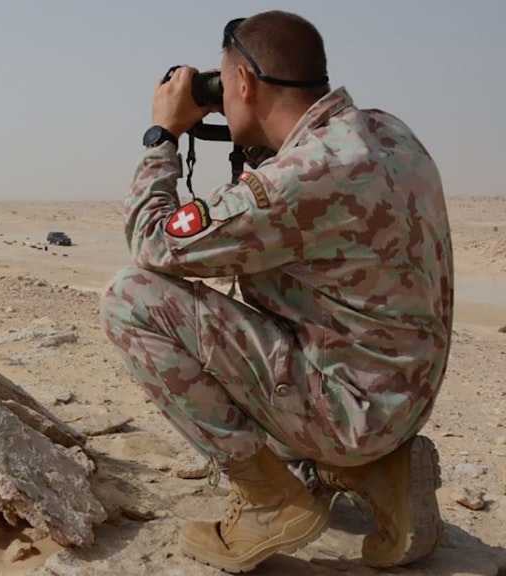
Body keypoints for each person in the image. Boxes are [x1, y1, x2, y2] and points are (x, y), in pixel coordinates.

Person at [100, 10, 453, 573]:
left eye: (224, 83)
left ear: (242, 83)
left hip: (349, 411)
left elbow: (151, 242)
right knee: (271, 363)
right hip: (398, 401)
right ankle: (378, 470)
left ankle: (269, 501)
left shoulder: (300, 177)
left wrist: (161, 134)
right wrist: (251, 127)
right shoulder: (387, 132)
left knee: (131, 297)